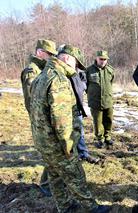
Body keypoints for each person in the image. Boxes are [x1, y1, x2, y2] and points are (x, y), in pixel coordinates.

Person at [29, 44, 111, 213]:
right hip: (57, 143)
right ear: (67, 58)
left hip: (42, 140)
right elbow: (61, 121)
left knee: (54, 176)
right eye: (76, 63)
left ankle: (64, 206)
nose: (76, 68)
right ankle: (92, 207)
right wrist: (68, 147)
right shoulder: (58, 80)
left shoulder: (42, 75)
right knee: (76, 175)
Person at [21, 39, 57, 197]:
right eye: (49, 54)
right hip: (40, 121)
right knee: (50, 153)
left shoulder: (43, 69)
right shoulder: (32, 71)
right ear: (39, 52)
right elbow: (32, 100)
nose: (51, 57)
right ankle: (45, 184)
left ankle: (51, 182)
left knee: (53, 153)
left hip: (46, 118)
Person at [86, 50, 115, 149]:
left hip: (108, 101)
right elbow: (85, 85)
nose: (103, 61)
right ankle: (100, 139)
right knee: (98, 122)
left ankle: (107, 137)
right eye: (101, 59)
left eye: (105, 59)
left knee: (108, 120)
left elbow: (111, 83)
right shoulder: (89, 70)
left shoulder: (110, 70)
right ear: (96, 58)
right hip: (95, 102)